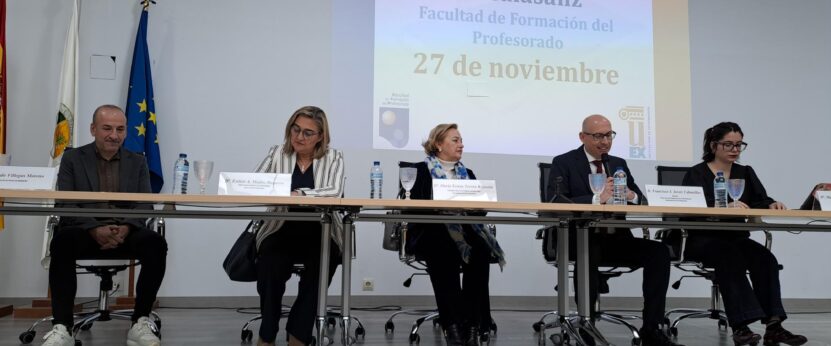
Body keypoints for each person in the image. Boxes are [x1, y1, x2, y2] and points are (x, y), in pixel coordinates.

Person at [548, 114, 679, 346]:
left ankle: (652, 327)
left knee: (658, 253)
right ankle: (586, 327)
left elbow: (641, 200)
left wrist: (631, 195)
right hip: (580, 238)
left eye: (609, 135)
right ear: (583, 136)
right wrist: (596, 199)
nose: (605, 141)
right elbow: (555, 200)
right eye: (598, 136)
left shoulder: (618, 163)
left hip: (617, 239)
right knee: (588, 252)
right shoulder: (564, 161)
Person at [43, 105, 167, 346]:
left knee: (155, 243)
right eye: (107, 128)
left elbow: (145, 206)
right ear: (93, 129)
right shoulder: (72, 158)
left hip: (125, 232)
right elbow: (65, 204)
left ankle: (140, 321)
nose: (114, 135)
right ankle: (63, 327)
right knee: (62, 241)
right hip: (83, 231)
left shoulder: (138, 161)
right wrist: (93, 228)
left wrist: (126, 228)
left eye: (120, 129)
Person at [681, 122, 807, 346]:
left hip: (736, 238)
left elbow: (760, 199)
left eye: (739, 145)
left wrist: (772, 204)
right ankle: (741, 327)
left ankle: (774, 326)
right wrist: (721, 208)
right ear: (713, 145)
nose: (734, 150)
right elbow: (687, 210)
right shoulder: (696, 173)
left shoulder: (745, 172)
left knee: (765, 259)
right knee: (729, 258)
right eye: (728, 144)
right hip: (704, 239)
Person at [403, 123, 505, 346]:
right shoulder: (418, 170)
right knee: (443, 246)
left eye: (461, 140)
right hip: (430, 230)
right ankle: (453, 324)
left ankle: (471, 322)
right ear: (438, 144)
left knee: (480, 248)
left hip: (464, 232)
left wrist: (479, 205)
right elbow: (408, 207)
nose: (461, 144)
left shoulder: (467, 173)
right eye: (455, 140)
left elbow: (479, 210)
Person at [254, 106, 345, 346]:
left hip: (321, 230)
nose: (299, 137)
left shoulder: (333, 157)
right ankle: (267, 332)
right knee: (270, 264)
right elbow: (256, 184)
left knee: (323, 263)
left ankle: (298, 334)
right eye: (295, 129)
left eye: (307, 132)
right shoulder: (277, 154)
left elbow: (334, 192)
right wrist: (298, 194)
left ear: (321, 137)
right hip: (280, 228)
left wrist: (297, 193)